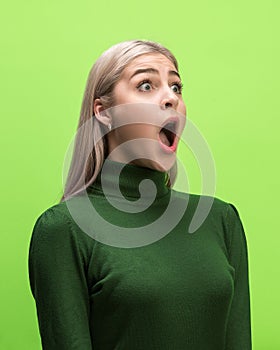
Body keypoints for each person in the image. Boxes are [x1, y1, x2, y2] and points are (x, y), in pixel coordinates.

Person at [28, 40, 252, 349]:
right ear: (104, 112)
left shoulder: (221, 220)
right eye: (146, 85)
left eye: (176, 87)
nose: (170, 98)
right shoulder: (64, 230)